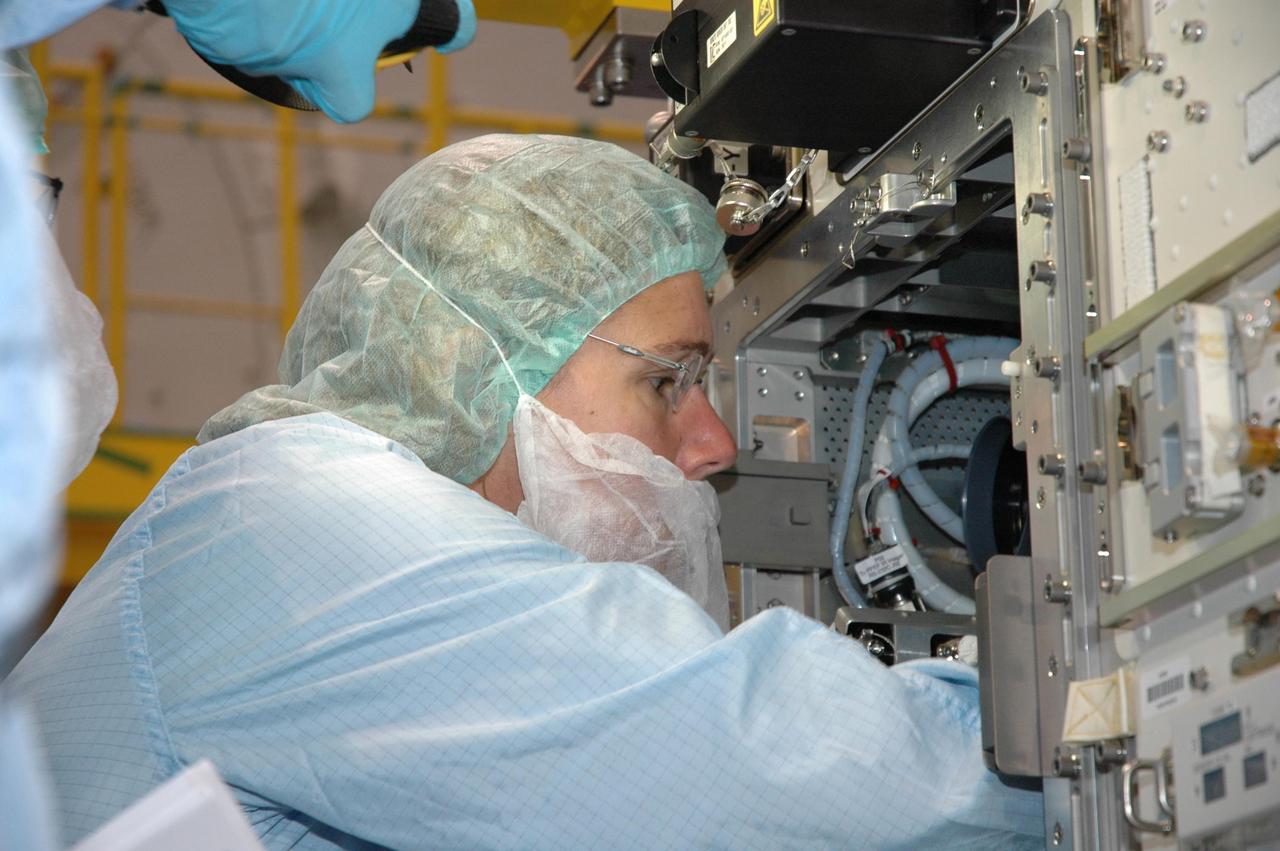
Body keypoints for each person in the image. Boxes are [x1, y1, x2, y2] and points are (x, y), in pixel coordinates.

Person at [9, 134, 1045, 849]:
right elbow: (747, 757)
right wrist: (1084, 721)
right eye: (667, 380)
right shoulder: (296, 518)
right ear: (480, 360)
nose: (716, 444)